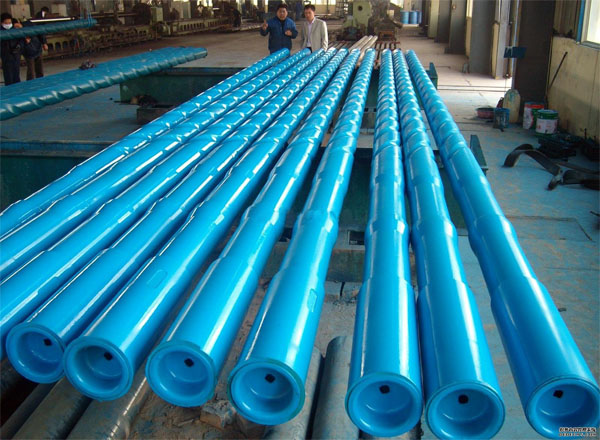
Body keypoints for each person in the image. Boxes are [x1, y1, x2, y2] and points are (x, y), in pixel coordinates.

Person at [1, 13, 24, 85]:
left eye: (9, 23)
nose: (8, 24)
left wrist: (18, 47)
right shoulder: (1, 31)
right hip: (6, 56)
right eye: (6, 23)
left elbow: (21, 40)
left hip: (16, 55)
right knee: (8, 76)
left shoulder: (15, 30)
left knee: (16, 74)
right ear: (2, 23)